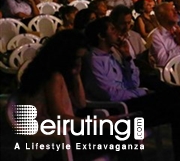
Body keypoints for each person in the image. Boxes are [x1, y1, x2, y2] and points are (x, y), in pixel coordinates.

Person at [83, 18, 180, 160]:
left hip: (133, 101)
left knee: (178, 107)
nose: (117, 32)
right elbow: (110, 95)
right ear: (101, 36)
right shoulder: (93, 60)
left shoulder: (114, 54)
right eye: (112, 29)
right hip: (118, 109)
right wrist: (141, 93)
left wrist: (127, 58)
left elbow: (133, 82)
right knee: (177, 98)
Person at [17, 30, 143, 161]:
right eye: (76, 58)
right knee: (124, 134)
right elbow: (59, 117)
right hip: (54, 142)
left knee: (123, 132)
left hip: (62, 136)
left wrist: (76, 75)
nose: (78, 62)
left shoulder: (56, 72)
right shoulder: (52, 77)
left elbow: (81, 104)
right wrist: (99, 123)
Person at [148, 2, 180, 68]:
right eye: (171, 10)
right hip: (174, 72)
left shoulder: (179, 31)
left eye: (174, 9)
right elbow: (162, 61)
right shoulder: (157, 36)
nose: (175, 12)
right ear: (161, 16)